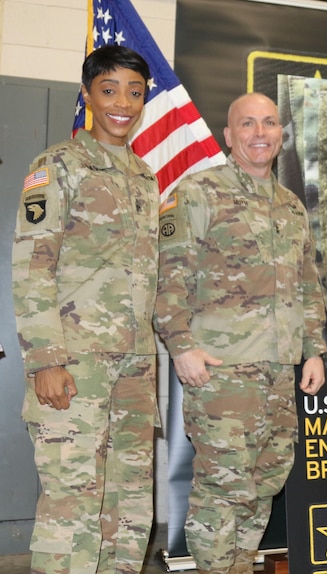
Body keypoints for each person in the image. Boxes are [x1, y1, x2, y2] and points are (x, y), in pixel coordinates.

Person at [154, 92, 327, 574]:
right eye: (247, 124)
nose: (259, 133)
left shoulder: (291, 207)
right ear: (229, 136)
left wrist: (313, 350)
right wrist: (181, 347)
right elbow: (169, 278)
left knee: (263, 484)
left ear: (280, 134)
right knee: (222, 489)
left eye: (269, 123)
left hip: (278, 371)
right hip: (223, 372)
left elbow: (307, 285)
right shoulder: (198, 193)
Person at [11, 45, 159, 574]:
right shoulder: (57, 166)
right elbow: (33, 265)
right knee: (72, 505)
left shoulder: (145, 176)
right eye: (110, 89)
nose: (123, 102)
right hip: (76, 364)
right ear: (88, 95)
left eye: (135, 92)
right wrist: (45, 359)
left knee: (129, 506)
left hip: (135, 367)